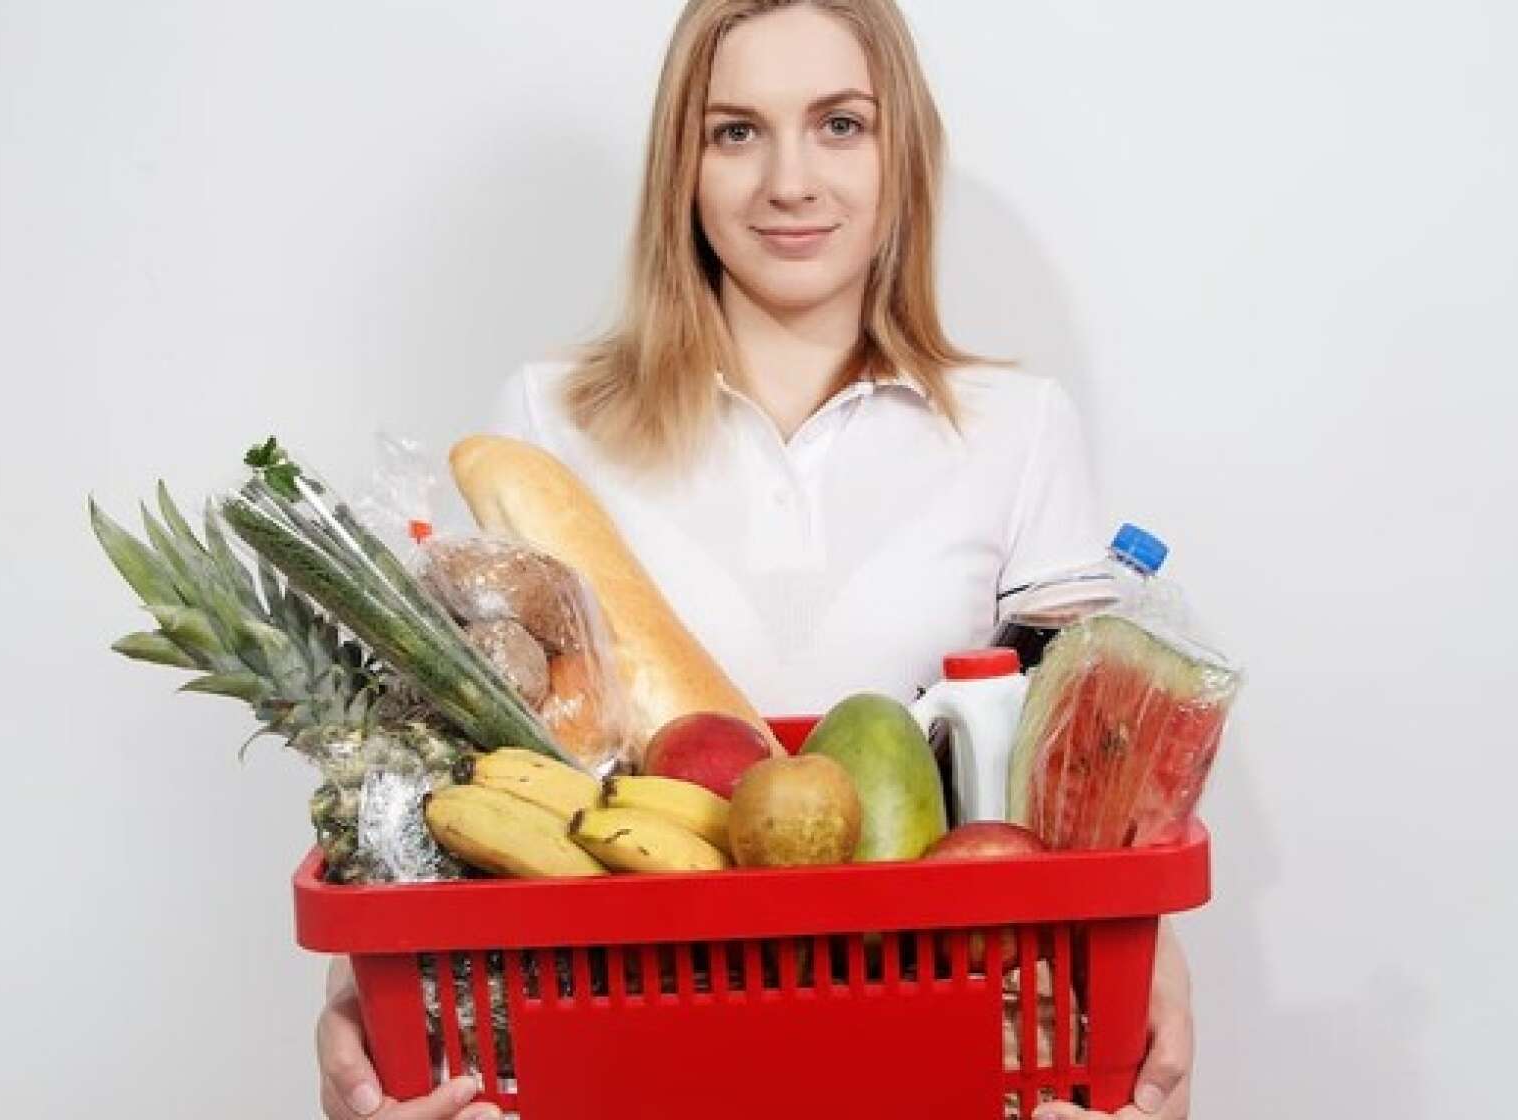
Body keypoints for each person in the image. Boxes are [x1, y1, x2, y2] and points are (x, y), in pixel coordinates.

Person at [316, 2, 1193, 1118]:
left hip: (933, 1059)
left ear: (902, 151)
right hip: (621, 1053)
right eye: (736, 131)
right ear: (681, 165)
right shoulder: (545, 422)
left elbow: (1083, 787)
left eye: (840, 124)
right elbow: (474, 756)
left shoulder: (1017, 428)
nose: (791, 181)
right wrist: (366, 990)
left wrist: (1151, 961)